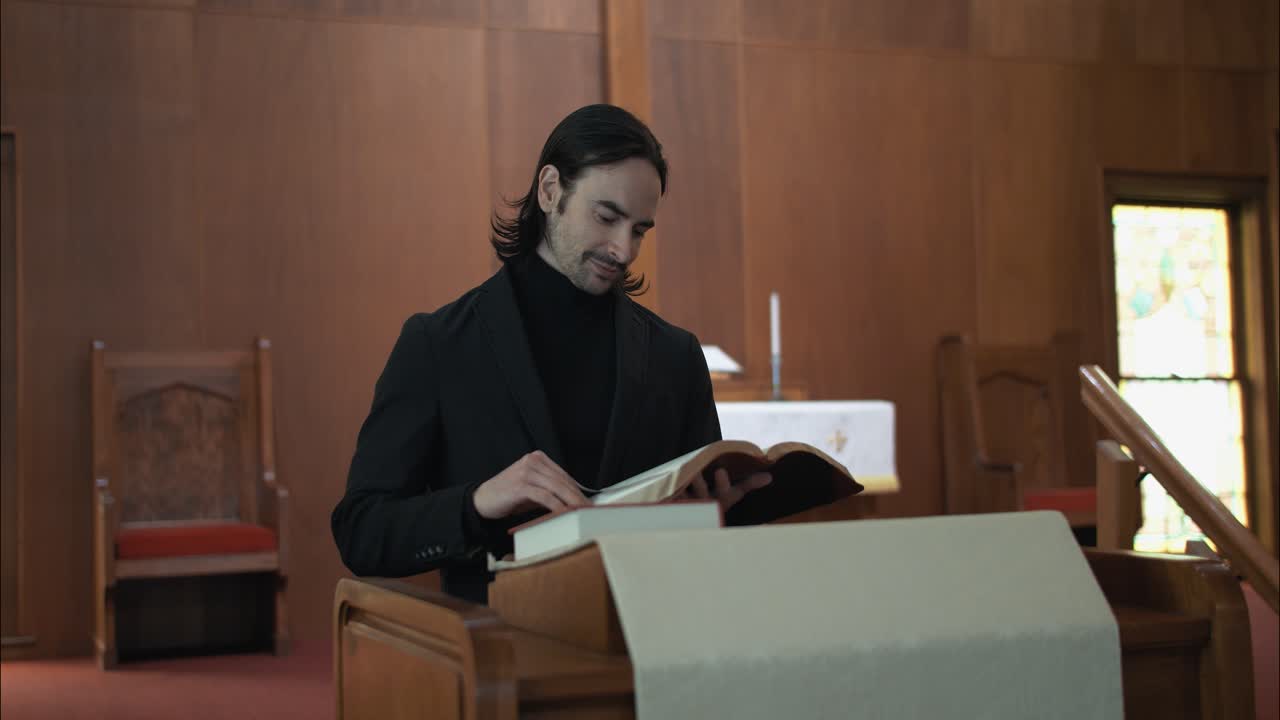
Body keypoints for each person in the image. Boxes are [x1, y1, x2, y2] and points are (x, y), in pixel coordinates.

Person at [331, 104, 769, 603]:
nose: (623, 250)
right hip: (503, 651)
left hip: (647, 639)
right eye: (607, 217)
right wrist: (476, 504)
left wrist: (712, 512)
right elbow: (361, 531)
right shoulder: (437, 344)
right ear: (549, 191)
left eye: (640, 229)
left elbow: (703, 537)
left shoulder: (676, 355)